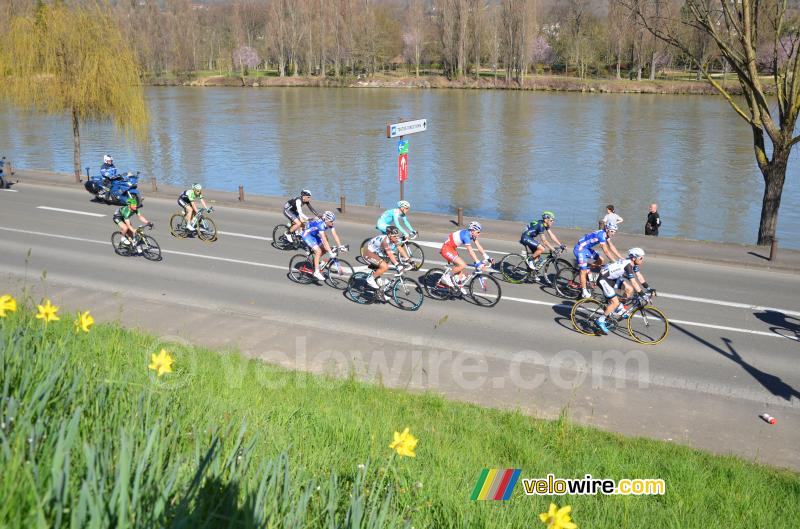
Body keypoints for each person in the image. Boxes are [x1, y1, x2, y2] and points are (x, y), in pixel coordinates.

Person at [594, 247, 652, 334]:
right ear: (634, 258)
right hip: (604, 279)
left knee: (629, 289)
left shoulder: (633, 264)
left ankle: (619, 308)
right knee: (614, 302)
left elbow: (639, 276)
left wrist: (648, 288)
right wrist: (642, 294)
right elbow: (634, 282)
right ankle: (600, 320)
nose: (642, 259)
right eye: (641, 257)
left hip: (612, 278)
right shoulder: (628, 265)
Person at [573, 221, 625, 299]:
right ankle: (584, 291)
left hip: (586, 248)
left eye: (614, 231)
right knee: (583, 271)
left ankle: (588, 269)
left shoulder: (606, 234)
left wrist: (621, 258)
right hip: (579, 249)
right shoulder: (601, 235)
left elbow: (611, 247)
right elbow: (606, 251)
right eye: (612, 231)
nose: (613, 233)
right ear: (607, 229)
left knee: (601, 260)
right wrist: (614, 261)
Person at [439, 221, 491, 293]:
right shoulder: (466, 236)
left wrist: (487, 257)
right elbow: (470, 251)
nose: (479, 234)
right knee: (462, 265)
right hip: (446, 249)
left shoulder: (472, 235)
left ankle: (458, 286)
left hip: (452, 249)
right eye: (478, 232)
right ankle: (447, 276)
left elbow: (479, 246)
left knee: (460, 271)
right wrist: (477, 262)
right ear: (472, 231)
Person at [520, 211, 565, 282]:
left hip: (530, 238)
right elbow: (544, 241)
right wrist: (553, 250)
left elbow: (552, 236)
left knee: (538, 257)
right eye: (551, 220)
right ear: (546, 219)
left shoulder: (545, 225)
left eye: (553, 220)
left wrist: (560, 245)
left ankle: (532, 274)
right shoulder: (540, 225)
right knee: (541, 248)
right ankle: (529, 260)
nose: (552, 222)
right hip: (526, 237)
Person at [301, 210, 345, 281]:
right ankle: (316, 272)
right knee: (318, 251)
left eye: (333, 221)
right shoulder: (321, 225)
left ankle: (316, 260)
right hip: (307, 235)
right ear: (327, 221)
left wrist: (340, 246)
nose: (333, 223)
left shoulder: (329, 223)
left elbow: (335, 235)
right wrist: (330, 253)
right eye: (331, 221)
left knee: (324, 249)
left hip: (314, 235)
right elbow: (324, 240)